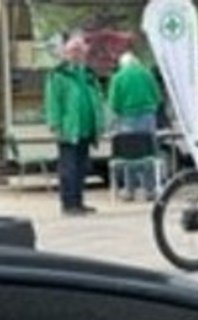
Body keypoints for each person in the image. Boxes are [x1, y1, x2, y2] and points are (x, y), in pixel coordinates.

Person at [44, 34, 105, 215]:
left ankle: (79, 202)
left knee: (81, 168)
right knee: (68, 169)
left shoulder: (88, 74)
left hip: (86, 129)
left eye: (80, 50)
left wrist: (100, 123)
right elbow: (53, 101)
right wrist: (54, 123)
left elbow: (96, 99)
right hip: (68, 129)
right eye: (73, 51)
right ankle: (68, 204)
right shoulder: (58, 75)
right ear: (66, 53)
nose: (76, 54)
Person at [107, 50, 162, 201]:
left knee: (129, 155)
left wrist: (113, 122)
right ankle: (150, 190)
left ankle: (130, 190)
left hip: (127, 118)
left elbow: (113, 103)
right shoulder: (147, 74)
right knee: (149, 153)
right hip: (147, 117)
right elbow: (157, 96)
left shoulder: (117, 78)